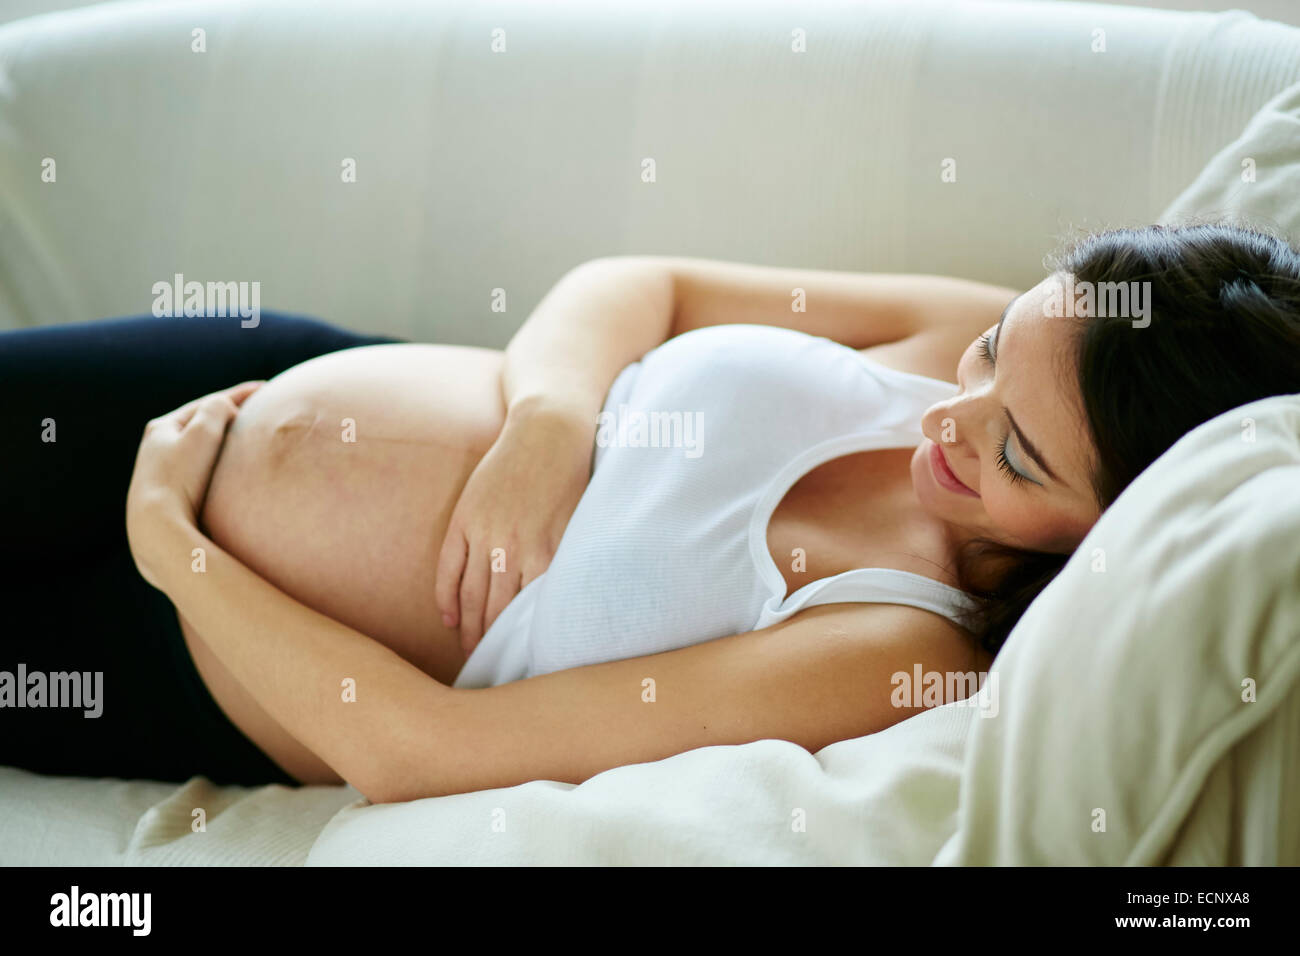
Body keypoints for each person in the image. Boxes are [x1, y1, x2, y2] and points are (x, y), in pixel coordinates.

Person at [5, 221, 1299, 803]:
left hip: (192, 644)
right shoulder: (1010, 336)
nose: (947, 420)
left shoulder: (901, 652)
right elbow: (647, 281)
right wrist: (550, 422)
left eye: (1015, 456)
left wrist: (173, 547)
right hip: (231, 381)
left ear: (1110, 532)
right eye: (990, 356)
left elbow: (423, 753)